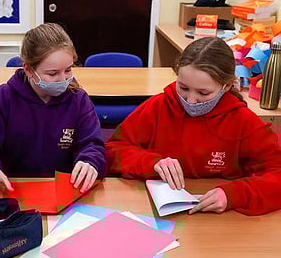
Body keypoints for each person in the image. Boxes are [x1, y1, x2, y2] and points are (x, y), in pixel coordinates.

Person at [106, 37, 281, 216]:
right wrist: (152, 163)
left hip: (220, 221)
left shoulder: (243, 121)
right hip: (158, 212)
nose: (190, 100)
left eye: (203, 93)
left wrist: (234, 194)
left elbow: (277, 175)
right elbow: (113, 150)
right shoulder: (158, 107)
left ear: (226, 86)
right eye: (183, 88)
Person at [0, 23, 106, 199]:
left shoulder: (78, 100)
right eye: (53, 73)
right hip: (14, 193)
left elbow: (93, 145)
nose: (63, 79)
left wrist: (90, 162)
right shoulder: (5, 98)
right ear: (29, 70)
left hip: (64, 196)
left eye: (68, 70)